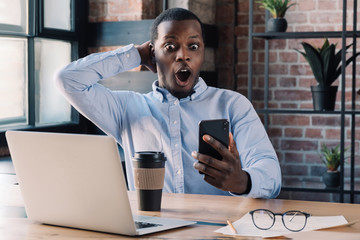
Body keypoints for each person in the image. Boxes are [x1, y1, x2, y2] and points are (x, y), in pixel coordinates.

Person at [55, 8, 281, 198]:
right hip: (152, 232)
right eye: (170, 47)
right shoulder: (126, 109)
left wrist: (243, 182)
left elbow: (272, 176)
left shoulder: (233, 105)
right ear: (154, 54)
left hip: (218, 231)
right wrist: (137, 54)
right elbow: (68, 80)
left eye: (193, 46)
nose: (184, 55)